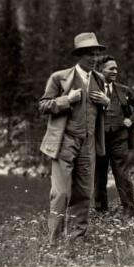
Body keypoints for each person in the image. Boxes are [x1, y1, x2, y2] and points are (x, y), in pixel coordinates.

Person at [39, 32, 109, 242]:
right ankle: (54, 242)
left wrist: (106, 102)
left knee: (84, 193)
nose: (95, 59)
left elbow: (99, 113)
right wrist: (66, 100)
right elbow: (43, 105)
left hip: (88, 143)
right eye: (90, 54)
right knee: (60, 194)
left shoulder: (100, 79)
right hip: (64, 142)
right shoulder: (59, 77)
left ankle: (77, 239)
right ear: (79, 55)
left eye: (97, 54)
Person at [93, 55, 134, 218]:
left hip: (119, 138)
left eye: (116, 68)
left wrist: (131, 120)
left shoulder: (123, 90)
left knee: (122, 173)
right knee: (99, 175)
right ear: (100, 70)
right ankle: (101, 211)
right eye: (111, 68)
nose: (115, 71)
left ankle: (128, 210)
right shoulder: (92, 90)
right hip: (99, 138)